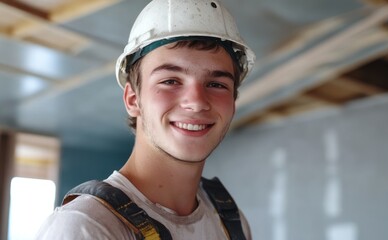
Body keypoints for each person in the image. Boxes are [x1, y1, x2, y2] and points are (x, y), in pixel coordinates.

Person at [35, 0, 255, 239]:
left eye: (216, 84)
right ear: (132, 99)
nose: (197, 102)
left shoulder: (230, 221)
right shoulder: (88, 227)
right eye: (170, 81)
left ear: (233, 102)